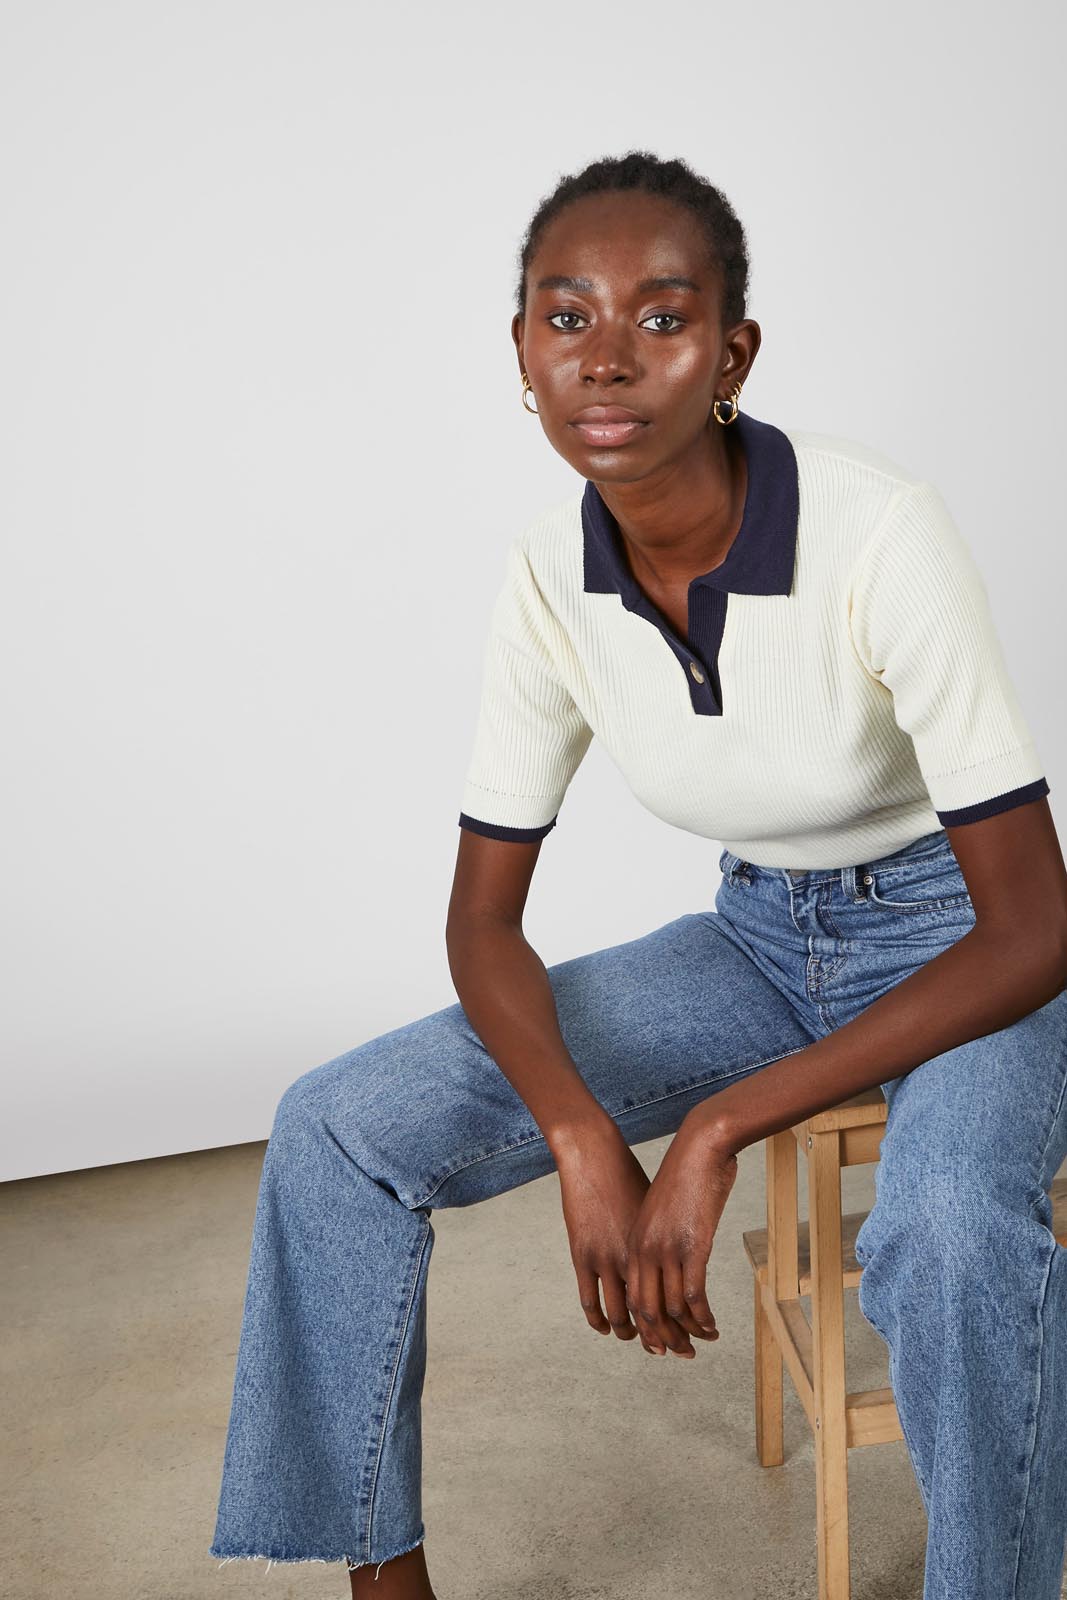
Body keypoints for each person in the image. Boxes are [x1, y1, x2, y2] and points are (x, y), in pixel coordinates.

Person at [209, 150, 1067, 1600]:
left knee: (947, 1233)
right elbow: (484, 920)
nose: (606, 358)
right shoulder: (551, 576)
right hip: (757, 939)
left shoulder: (878, 531)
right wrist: (577, 1131)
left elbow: (1036, 927)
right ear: (523, 354)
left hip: (963, 951)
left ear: (732, 353)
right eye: (567, 318)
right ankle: (385, 1586)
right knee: (337, 1129)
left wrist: (717, 1127)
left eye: (661, 319)